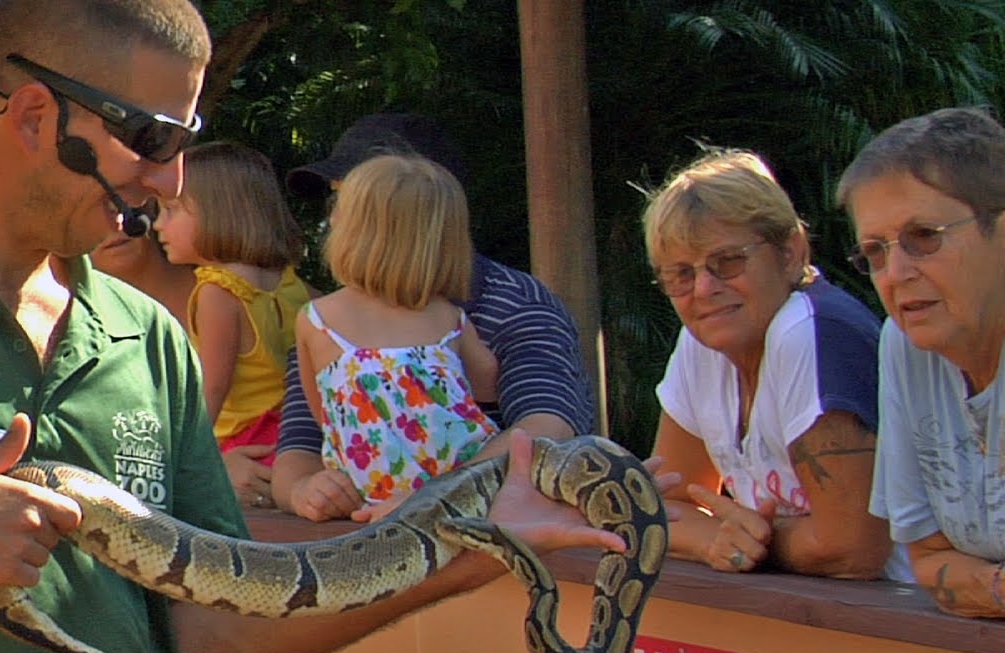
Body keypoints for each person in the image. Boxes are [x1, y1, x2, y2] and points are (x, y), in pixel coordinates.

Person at [0, 2, 639, 653]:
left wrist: (480, 549)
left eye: (184, 144)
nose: (170, 180)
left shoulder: (148, 333)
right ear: (36, 114)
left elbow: (215, 636)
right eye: (153, 139)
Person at [275, 112, 595, 522]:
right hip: (369, 543)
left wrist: (431, 501)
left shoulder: (518, 304)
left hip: (497, 546)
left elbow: (549, 428)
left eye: (348, 202)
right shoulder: (329, 321)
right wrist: (306, 491)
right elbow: (298, 451)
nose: (332, 219)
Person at [643, 148, 908, 580]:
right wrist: (717, 540)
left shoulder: (809, 329)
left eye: (728, 262)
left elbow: (853, 546)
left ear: (791, 251)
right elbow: (664, 505)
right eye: (680, 275)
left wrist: (752, 542)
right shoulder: (703, 340)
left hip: (909, 625)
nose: (704, 289)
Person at [837, 106, 1005, 615]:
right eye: (876, 251)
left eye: (924, 237)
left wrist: (980, 584)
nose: (896, 273)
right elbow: (929, 562)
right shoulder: (904, 343)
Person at [295, 153, 499, 504]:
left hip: (368, 493)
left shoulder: (316, 319)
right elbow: (488, 386)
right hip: (463, 493)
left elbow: (322, 412)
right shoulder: (449, 319)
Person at [155, 140, 312, 477]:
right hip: (291, 440)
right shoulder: (291, 284)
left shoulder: (217, 291)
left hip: (242, 442)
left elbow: (211, 389)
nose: (157, 225)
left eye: (171, 210)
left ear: (218, 211)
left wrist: (186, 463)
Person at [91, 218, 196, 328]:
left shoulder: (212, 275)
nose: (115, 225)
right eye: (89, 218)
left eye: (120, 204)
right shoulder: (84, 327)